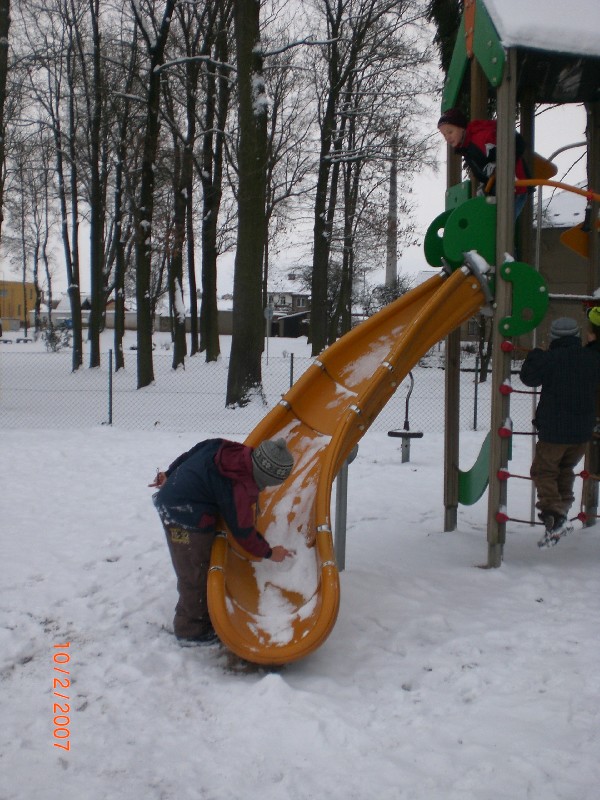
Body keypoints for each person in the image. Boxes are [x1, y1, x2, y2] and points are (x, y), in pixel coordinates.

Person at [150, 437, 295, 645]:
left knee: (199, 565)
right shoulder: (237, 485)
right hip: (183, 515)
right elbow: (243, 531)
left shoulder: (227, 448)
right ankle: (191, 630)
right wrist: (271, 552)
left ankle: (200, 615)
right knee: (194, 572)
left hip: (181, 497)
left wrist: (170, 473)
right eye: (265, 483)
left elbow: (195, 451)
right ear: (263, 476)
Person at [520, 316, 600, 547]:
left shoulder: (549, 359)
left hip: (555, 430)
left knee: (543, 471)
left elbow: (528, 378)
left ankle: (555, 516)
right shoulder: (592, 358)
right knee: (565, 469)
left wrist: (535, 355)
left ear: (554, 337)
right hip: (582, 432)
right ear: (576, 336)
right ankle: (560, 515)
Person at [437, 107, 531, 219]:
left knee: (501, 225)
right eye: (444, 135)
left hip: (514, 187)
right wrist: (484, 186)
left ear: (462, 128)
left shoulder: (480, 139)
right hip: (500, 189)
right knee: (491, 225)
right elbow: (485, 172)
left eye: (450, 132)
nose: (447, 137)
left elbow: (515, 146)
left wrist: (498, 165)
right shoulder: (467, 149)